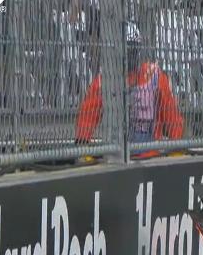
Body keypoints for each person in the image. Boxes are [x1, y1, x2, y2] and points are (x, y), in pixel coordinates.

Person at [75, 22, 184, 160]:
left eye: (132, 49)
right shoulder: (105, 80)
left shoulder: (153, 75)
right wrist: (83, 148)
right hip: (116, 158)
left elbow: (171, 114)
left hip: (150, 157)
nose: (129, 54)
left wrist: (176, 147)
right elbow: (87, 117)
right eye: (126, 49)